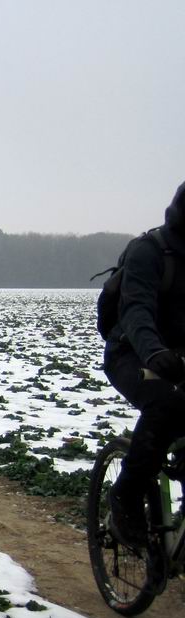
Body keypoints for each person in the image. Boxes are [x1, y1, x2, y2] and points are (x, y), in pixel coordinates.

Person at [104, 181, 185, 549]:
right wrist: (154, 353)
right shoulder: (148, 252)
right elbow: (136, 310)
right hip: (132, 353)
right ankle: (126, 497)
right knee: (164, 403)